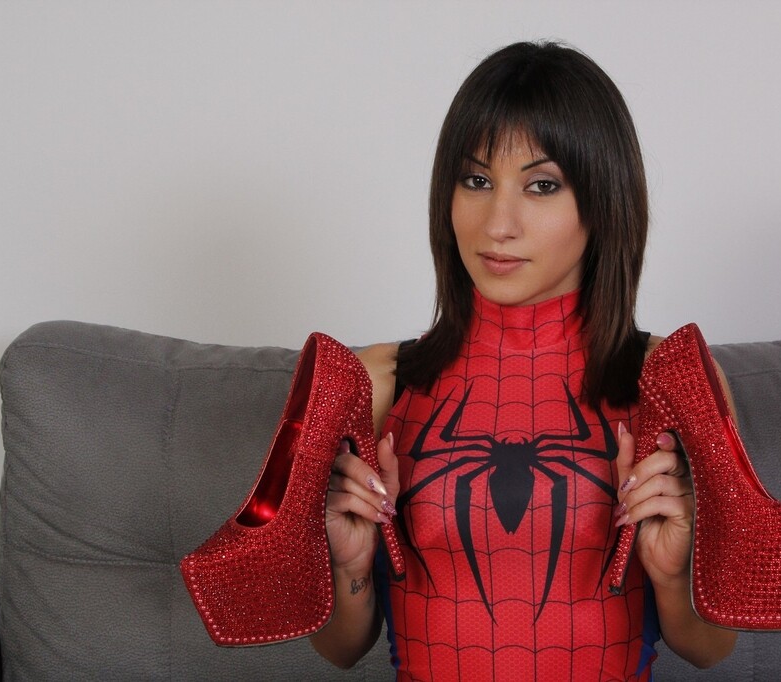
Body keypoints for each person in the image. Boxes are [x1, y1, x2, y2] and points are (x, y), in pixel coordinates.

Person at [310, 41, 738, 679]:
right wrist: (350, 567)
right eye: (476, 181)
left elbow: (710, 648)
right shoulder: (371, 383)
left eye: (542, 186)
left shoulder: (672, 380)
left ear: (603, 202)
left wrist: (672, 576)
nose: (497, 224)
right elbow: (340, 650)